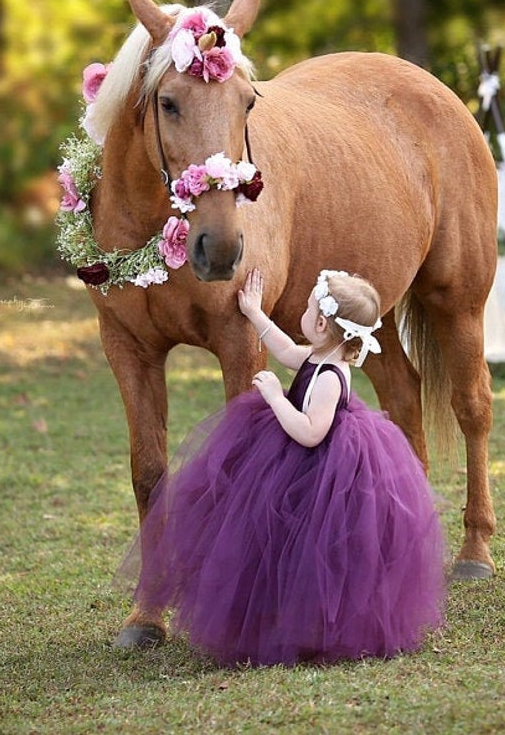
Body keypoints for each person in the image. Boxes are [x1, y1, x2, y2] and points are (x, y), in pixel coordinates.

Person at [126, 269, 448, 666]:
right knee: (274, 545)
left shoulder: (331, 377)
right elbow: (286, 352)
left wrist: (277, 398)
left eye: (310, 307)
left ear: (321, 324)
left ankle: (310, 627)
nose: (304, 311)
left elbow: (312, 432)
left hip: (320, 471)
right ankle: (275, 615)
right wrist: (257, 314)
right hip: (298, 458)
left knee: (309, 552)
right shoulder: (319, 354)